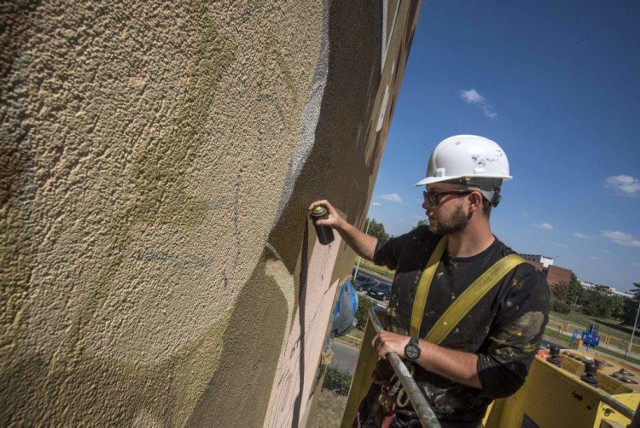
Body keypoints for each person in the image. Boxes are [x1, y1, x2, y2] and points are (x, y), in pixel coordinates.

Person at [309, 135, 550, 427]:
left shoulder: (521, 284)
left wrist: (414, 348)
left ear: (473, 200)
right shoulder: (422, 243)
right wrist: (341, 224)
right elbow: (377, 249)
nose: (425, 204)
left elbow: (501, 375)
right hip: (379, 410)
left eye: (435, 195)